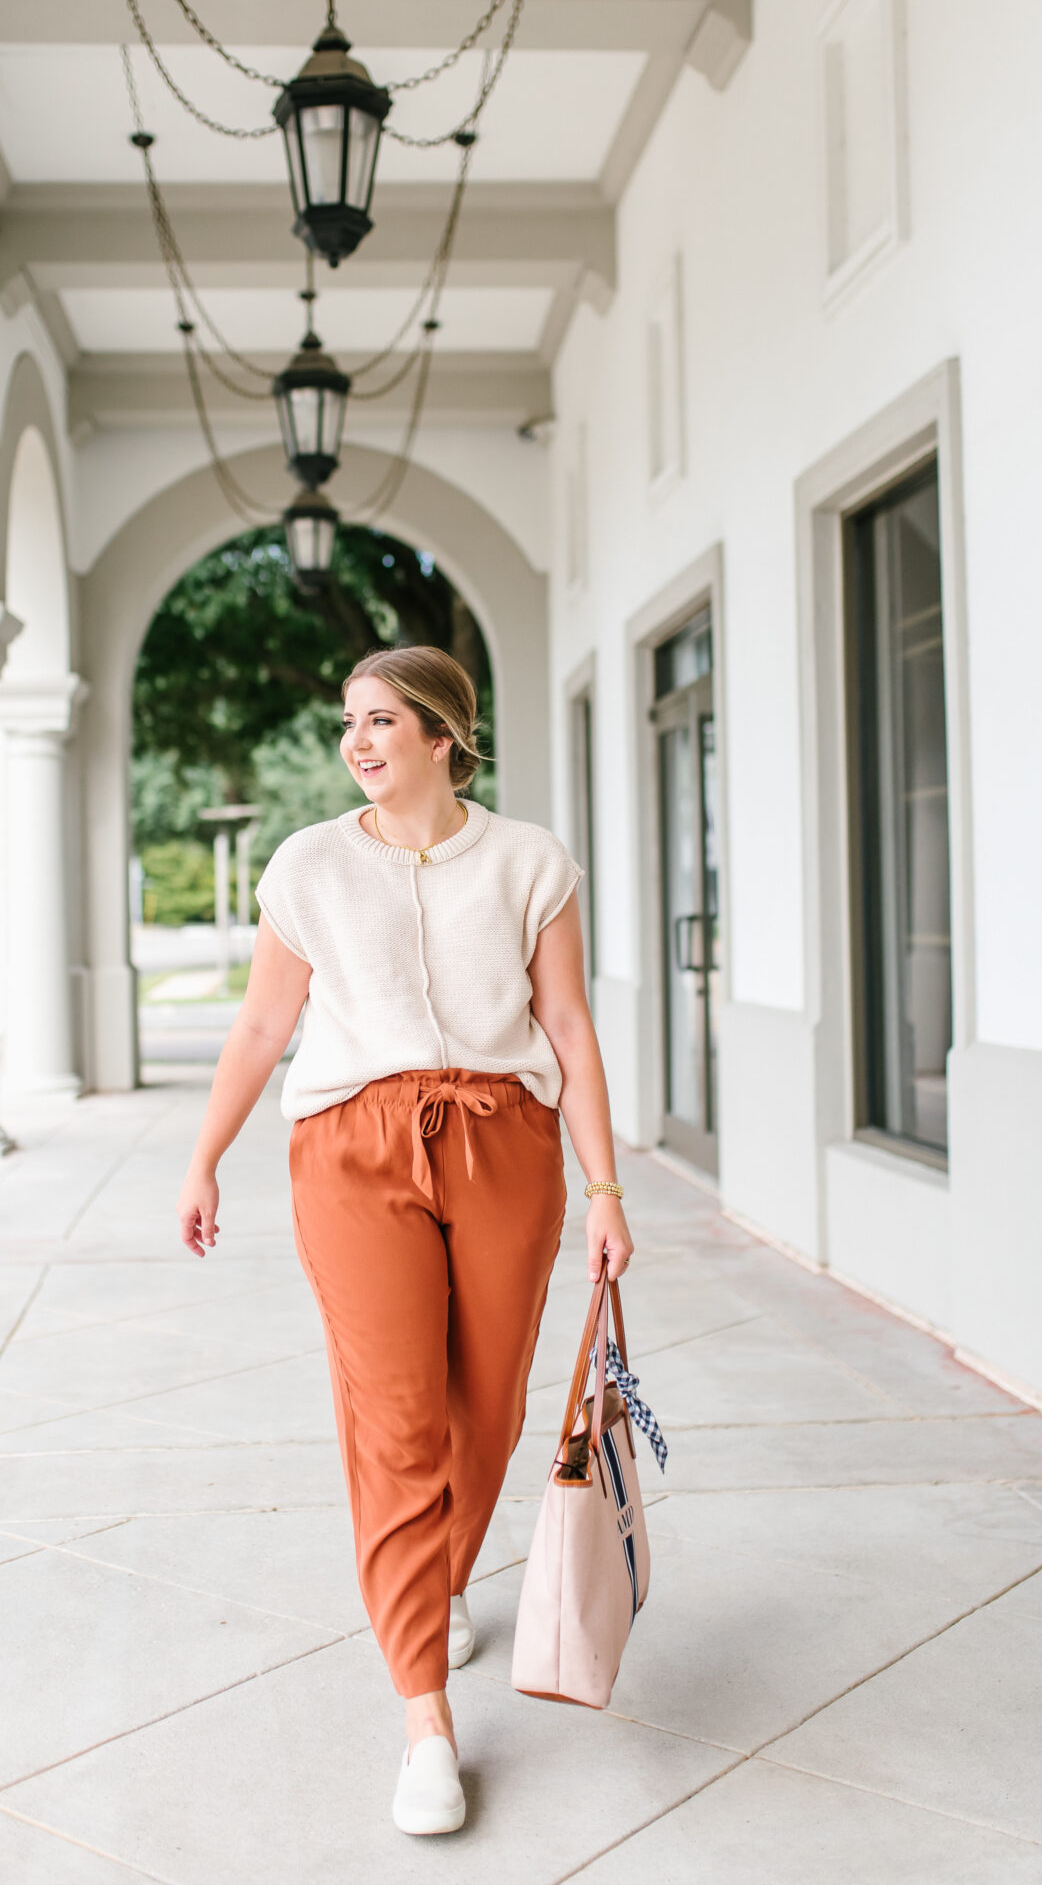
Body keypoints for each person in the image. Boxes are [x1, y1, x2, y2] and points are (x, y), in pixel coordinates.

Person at [177, 645, 634, 1836]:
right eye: (348, 722)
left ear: (444, 734)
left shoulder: (531, 861)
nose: (357, 741)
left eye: (382, 720)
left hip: (504, 1142)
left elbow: (570, 1026)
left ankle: (436, 1583)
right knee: (395, 1417)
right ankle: (426, 1718)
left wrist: (605, 1187)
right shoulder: (310, 866)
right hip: (353, 1149)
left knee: (487, 1407)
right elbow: (264, 1024)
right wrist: (203, 1154)